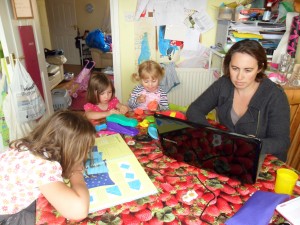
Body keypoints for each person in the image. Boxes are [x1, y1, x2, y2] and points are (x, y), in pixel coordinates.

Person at [186, 39, 290, 162]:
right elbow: (194, 110)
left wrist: (251, 144)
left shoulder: (275, 96)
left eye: (248, 70)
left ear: (260, 68)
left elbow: (282, 141)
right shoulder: (223, 84)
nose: (239, 77)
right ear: (228, 65)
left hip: (262, 161)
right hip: (229, 156)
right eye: (235, 68)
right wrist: (211, 133)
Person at [0, 110, 96, 224]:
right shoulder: (43, 165)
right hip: (7, 217)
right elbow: (79, 211)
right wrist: (76, 173)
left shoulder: (27, 145)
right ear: (71, 150)